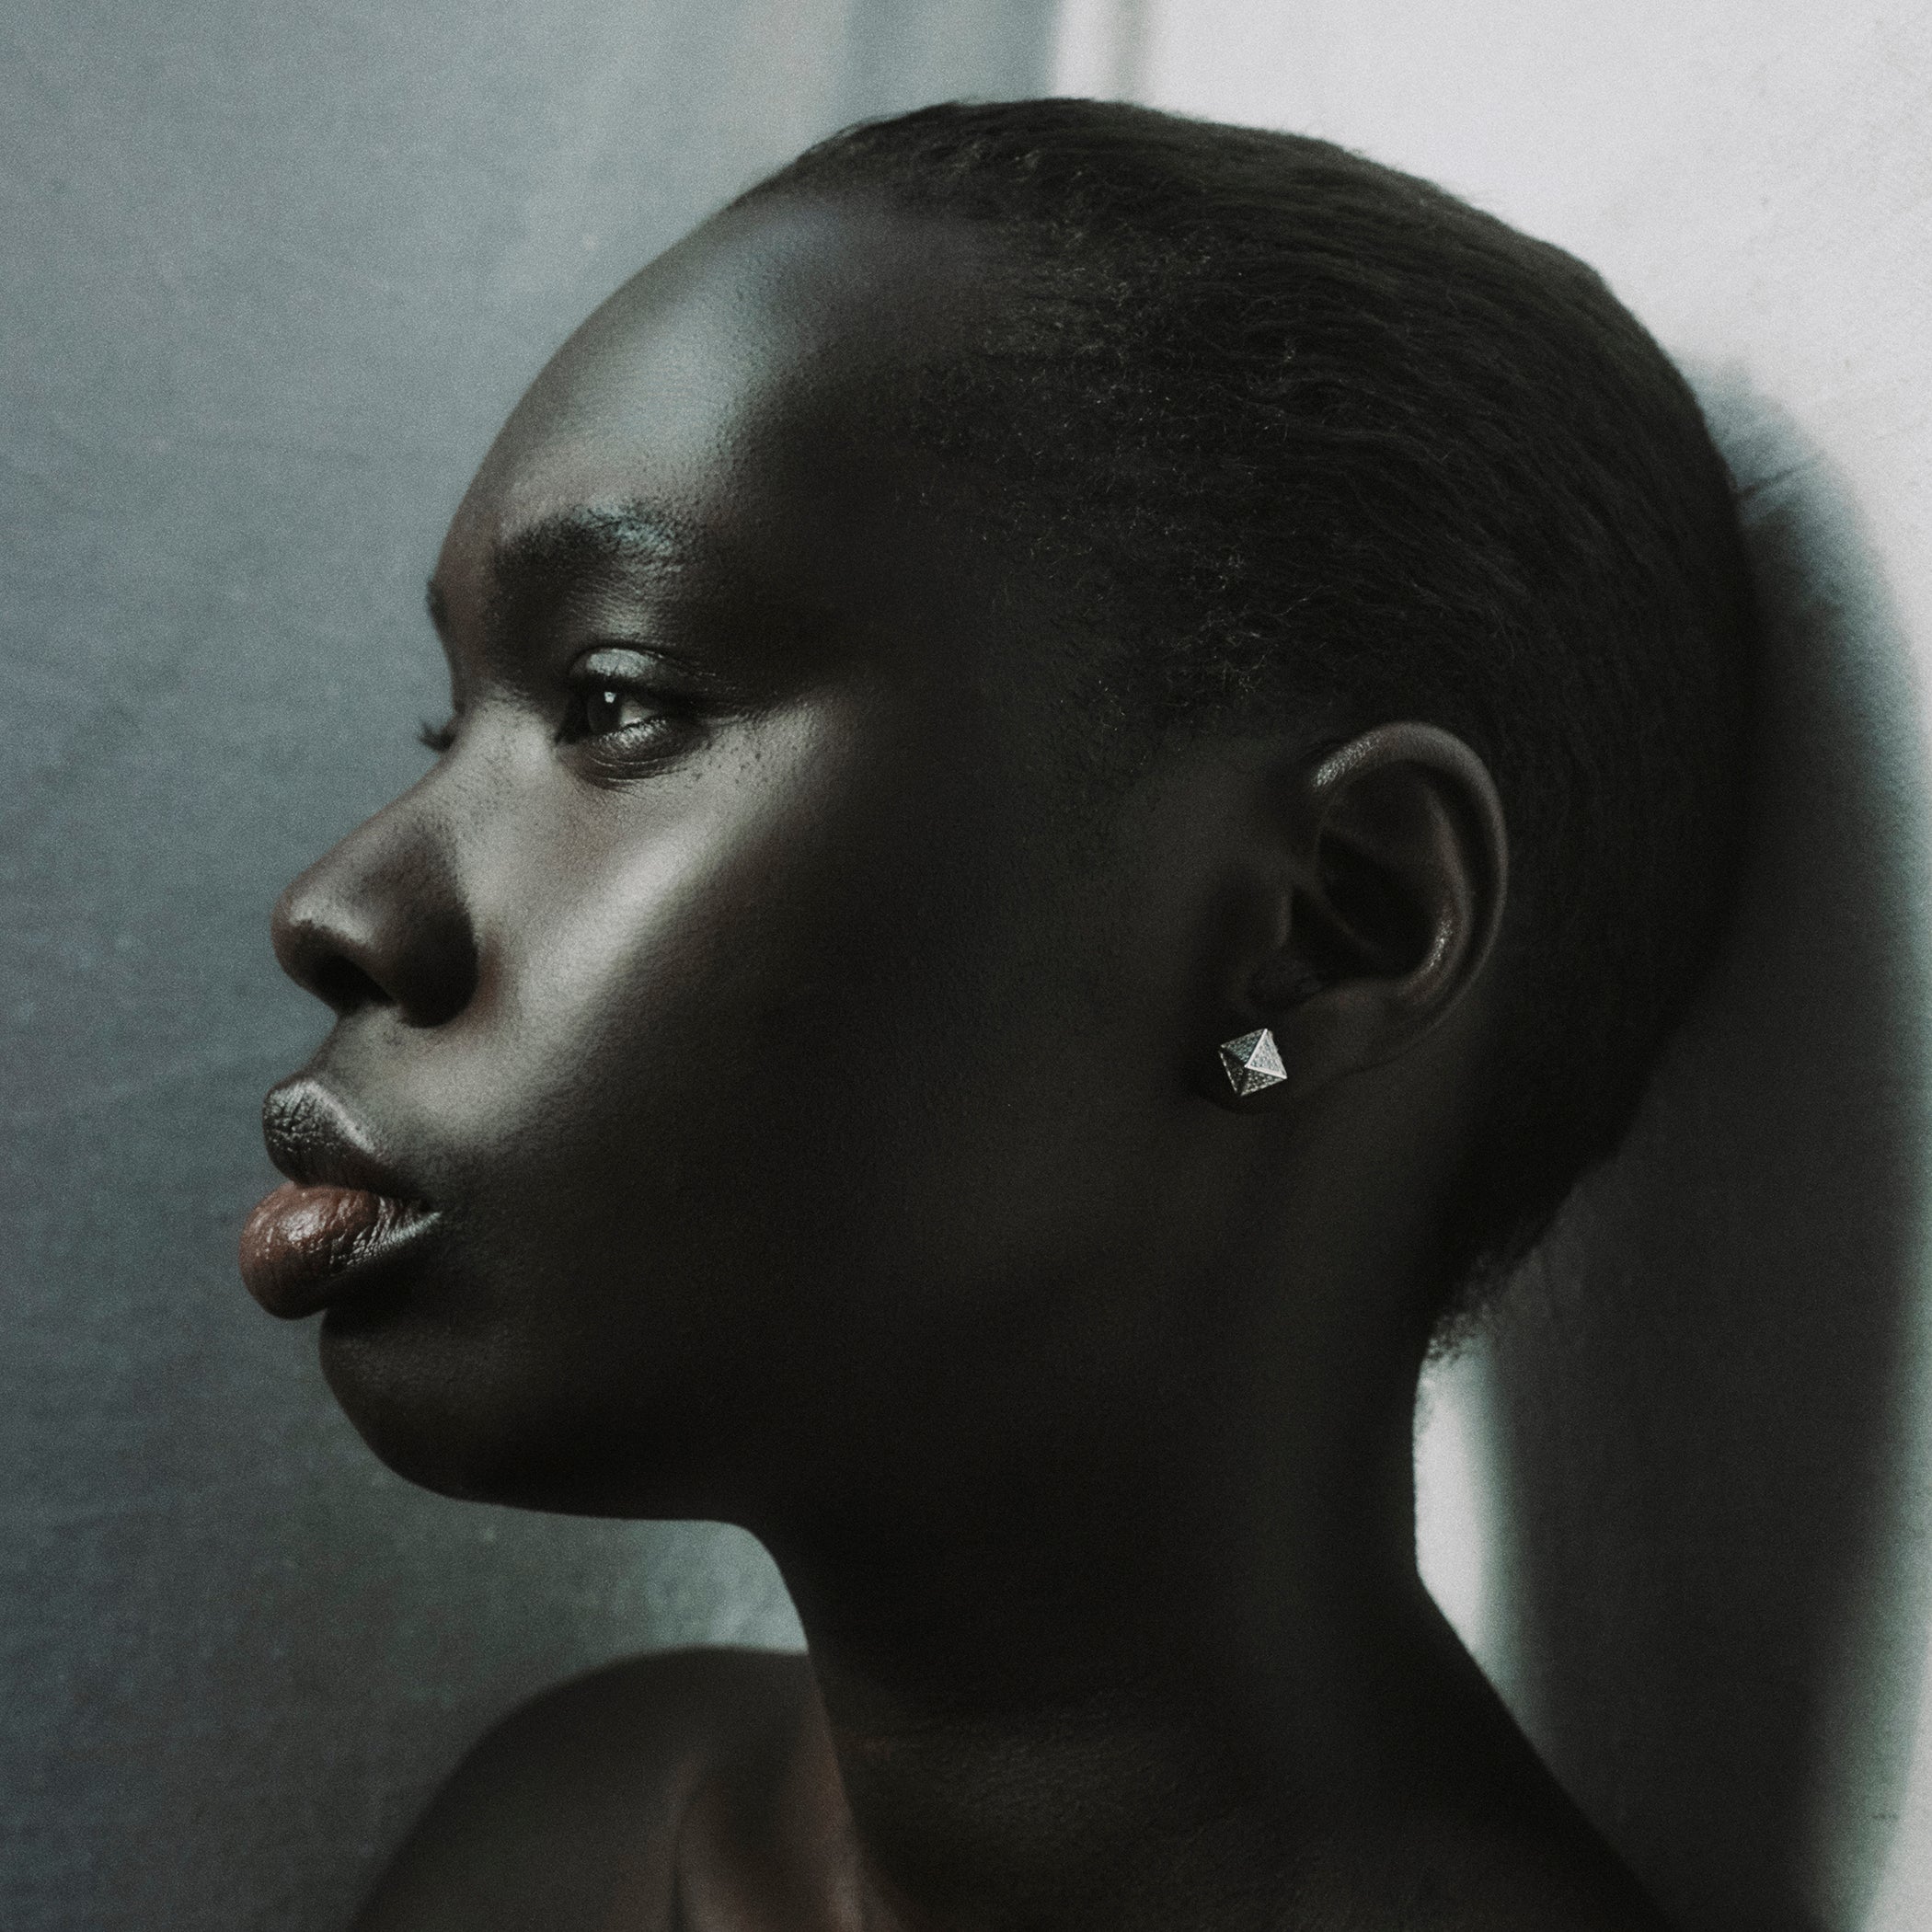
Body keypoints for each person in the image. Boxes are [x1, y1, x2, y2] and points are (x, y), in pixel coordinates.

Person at [238, 98, 1754, 1930]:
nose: (340, 910)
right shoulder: (570, 1830)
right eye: (451, 728)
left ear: (1321, 940)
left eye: (618, 699)